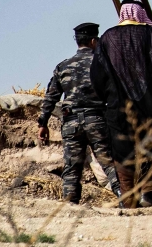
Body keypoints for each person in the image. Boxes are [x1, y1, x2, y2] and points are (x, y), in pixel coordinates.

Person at [91, 1, 152, 208]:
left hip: (117, 105)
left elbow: (97, 74)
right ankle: (151, 191)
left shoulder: (107, 37)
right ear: (141, 13)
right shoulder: (149, 35)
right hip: (150, 103)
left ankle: (128, 198)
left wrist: (106, 98)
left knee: (122, 151)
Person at [39, 23, 121, 204]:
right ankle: (124, 200)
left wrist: (42, 123)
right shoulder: (104, 64)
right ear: (94, 41)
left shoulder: (63, 66)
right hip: (97, 119)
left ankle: (69, 206)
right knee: (108, 164)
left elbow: (50, 98)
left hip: (71, 122)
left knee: (72, 169)